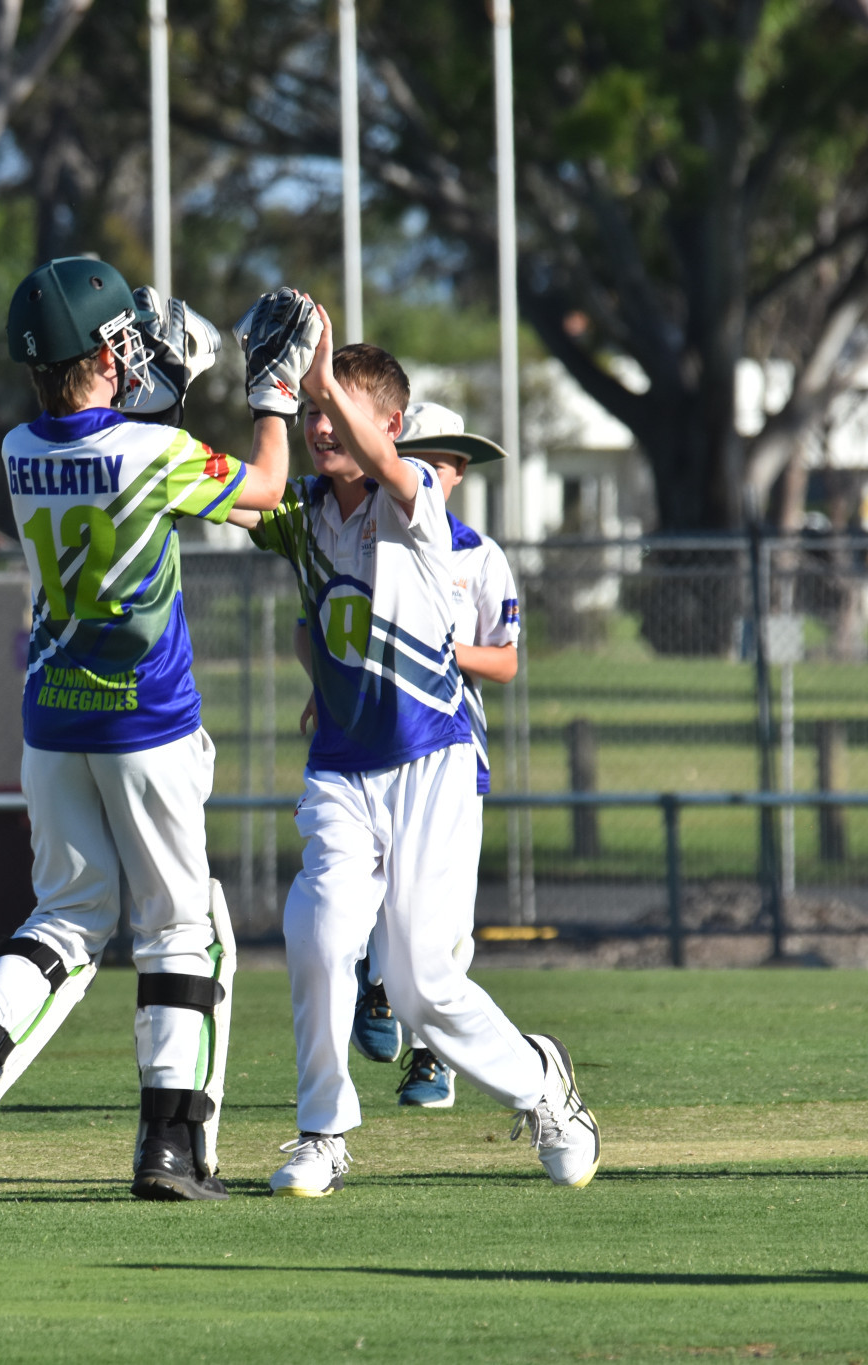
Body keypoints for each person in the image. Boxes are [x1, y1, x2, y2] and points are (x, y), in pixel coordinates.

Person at [0, 262, 303, 1203]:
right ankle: (171, 1145)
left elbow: (106, 446)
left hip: (52, 719)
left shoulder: (16, 446)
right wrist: (270, 396)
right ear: (106, 351)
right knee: (185, 930)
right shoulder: (148, 452)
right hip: (146, 721)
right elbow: (267, 488)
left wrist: (158, 390)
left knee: (65, 916)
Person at [224, 323, 598, 1198]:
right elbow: (237, 497)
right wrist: (266, 402)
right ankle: (322, 1130)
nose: (324, 428)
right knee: (316, 937)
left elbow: (384, 464)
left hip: (431, 761)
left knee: (423, 981)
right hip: (343, 767)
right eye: (320, 412)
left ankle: (546, 1087)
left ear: (390, 426)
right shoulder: (305, 513)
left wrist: (320, 386)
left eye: (340, 414)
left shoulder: (416, 491)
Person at [346, 402, 521, 1110]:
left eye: (449, 464)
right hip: (371, 739)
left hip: (452, 746)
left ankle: (432, 1057)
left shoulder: (478, 554)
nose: (438, 473)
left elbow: (505, 661)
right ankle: (376, 983)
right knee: (366, 886)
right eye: (425, 457)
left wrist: (439, 655)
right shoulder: (365, 538)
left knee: (443, 914)